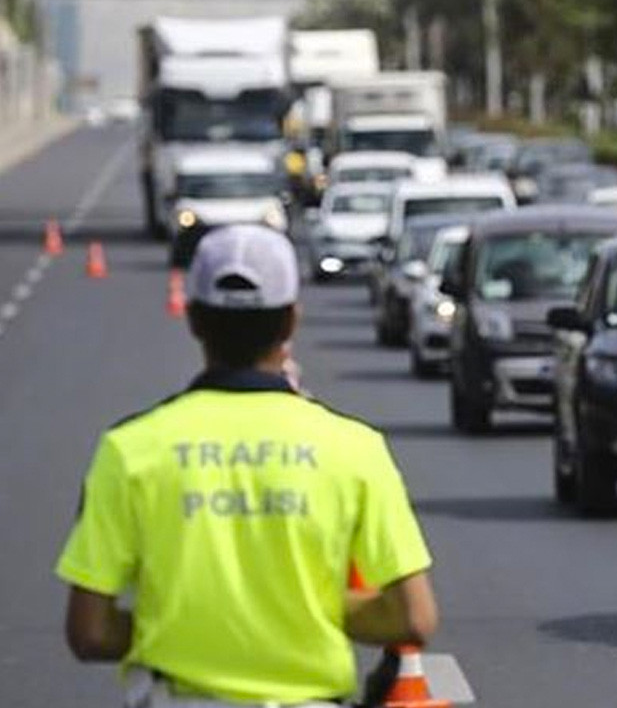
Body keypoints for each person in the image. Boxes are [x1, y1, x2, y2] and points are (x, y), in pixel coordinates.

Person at [55, 224, 438, 707]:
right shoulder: (355, 449)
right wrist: (300, 610)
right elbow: (413, 618)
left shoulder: (130, 449)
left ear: (194, 318)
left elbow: (89, 631)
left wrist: (181, 626)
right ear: (291, 322)